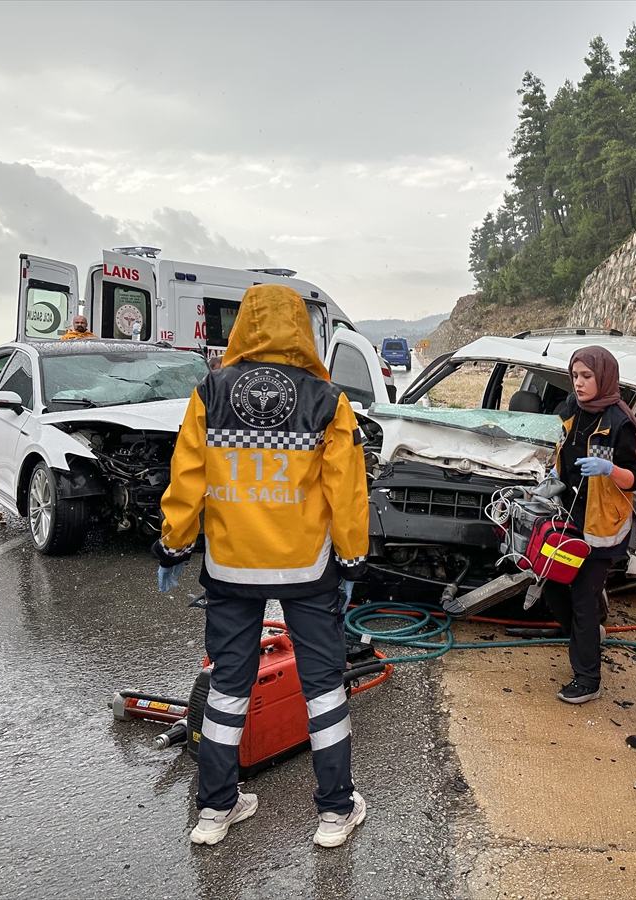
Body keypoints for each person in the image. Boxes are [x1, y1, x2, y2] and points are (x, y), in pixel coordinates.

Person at [151, 284, 370, 848]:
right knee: (323, 688)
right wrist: (351, 561)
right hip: (305, 569)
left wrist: (174, 543)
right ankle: (334, 812)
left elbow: (188, 475)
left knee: (228, 688)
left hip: (231, 568)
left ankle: (215, 810)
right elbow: (345, 491)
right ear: (303, 329)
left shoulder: (212, 391)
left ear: (243, 326)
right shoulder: (327, 399)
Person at [545, 347, 636, 704]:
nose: (580, 383)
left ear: (603, 377)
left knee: (584, 597)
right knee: (552, 585)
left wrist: (608, 470)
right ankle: (587, 637)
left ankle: (588, 679)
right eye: (575, 376)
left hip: (602, 524)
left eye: (587, 376)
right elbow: (562, 451)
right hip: (568, 516)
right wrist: (552, 478)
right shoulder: (572, 409)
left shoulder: (618, 422)